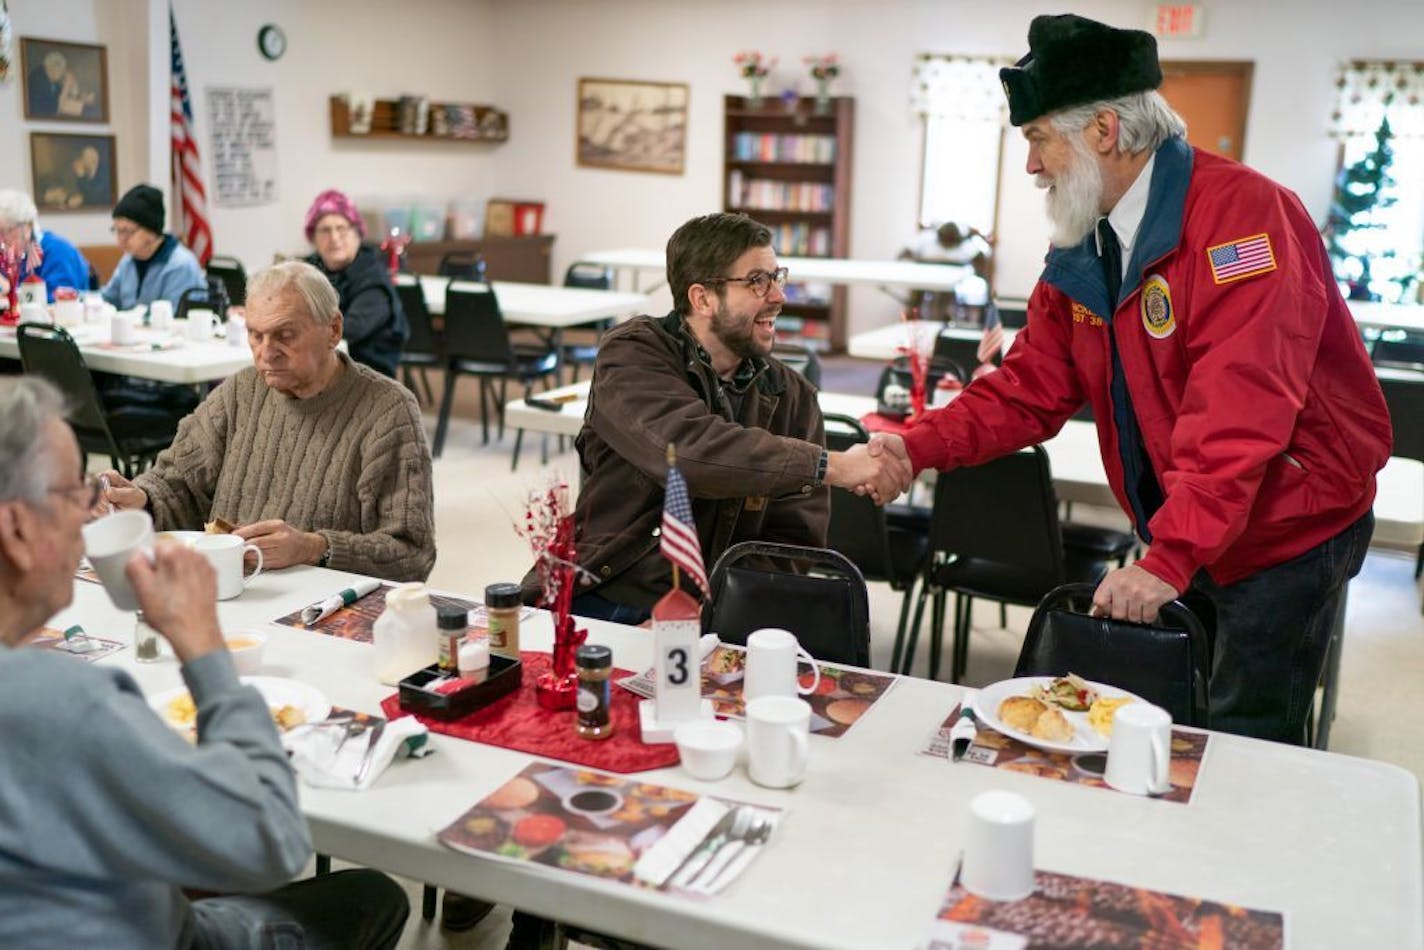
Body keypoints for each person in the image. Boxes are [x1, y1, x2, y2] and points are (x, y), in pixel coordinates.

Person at [867, 13, 1390, 745]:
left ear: (1105, 131)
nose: (1031, 166)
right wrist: (916, 446)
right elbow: (1031, 385)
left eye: (1038, 139)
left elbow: (1240, 410)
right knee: (1173, 725)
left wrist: (1170, 557)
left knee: (1245, 742)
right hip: (1196, 519)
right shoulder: (1090, 234)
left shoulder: (1245, 222)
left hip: (1285, 525)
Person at [0, 375, 409, 948]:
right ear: (17, 528)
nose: (89, 516)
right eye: (76, 495)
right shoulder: (64, 701)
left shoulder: (384, 407)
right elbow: (272, 840)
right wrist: (205, 647)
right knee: (373, 895)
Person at [557, 211, 907, 625]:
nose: (778, 295)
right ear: (702, 299)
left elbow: (793, 543)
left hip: (722, 610)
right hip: (609, 591)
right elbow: (687, 452)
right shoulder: (631, 354)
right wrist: (831, 463)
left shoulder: (792, 396)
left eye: (778, 277)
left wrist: (720, 614)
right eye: (758, 281)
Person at [100, 260, 436, 582]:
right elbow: (179, 484)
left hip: (319, 612)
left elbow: (412, 553)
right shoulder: (242, 390)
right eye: (255, 335)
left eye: (285, 335)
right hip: (231, 596)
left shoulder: (388, 411)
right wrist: (142, 498)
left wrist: (314, 548)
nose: (266, 352)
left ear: (333, 330)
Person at [303, 189, 408, 377]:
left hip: (365, 380)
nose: (334, 238)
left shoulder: (373, 279)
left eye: (341, 228)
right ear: (314, 238)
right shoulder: (309, 270)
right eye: (325, 230)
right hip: (321, 368)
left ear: (357, 234)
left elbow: (346, 332)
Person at [99, 184, 206, 309]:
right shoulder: (129, 260)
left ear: (151, 232)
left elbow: (171, 318)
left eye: (127, 231)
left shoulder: (180, 265)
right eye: (117, 230)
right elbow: (108, 299)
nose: (121, 238)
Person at [0, 188, 92, 302]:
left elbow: (57, 302)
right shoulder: (9, 256)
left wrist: (9, 291)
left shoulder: (59, 252)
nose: (2, 239)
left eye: (6, 231)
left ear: (28, 226)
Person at [898, 220, 994, 322]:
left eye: (951, 241)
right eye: (946, 240)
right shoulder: (926, 239)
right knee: (917, 290)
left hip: (952, 279)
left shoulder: (968, 246)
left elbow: (982, 260)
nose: (947, 244)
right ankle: (913, 314)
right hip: (926, 275)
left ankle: (942, 318)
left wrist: (979, 272)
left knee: (945, 296)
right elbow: (904, 254)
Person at [39, 144, 110, 211]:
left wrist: (81, 176)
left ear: (92, 160)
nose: (79, 162)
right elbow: (72, 194)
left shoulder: (104, 174)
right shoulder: (73, 173)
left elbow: (92, 198)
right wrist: (66, 199)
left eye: (82, 158)